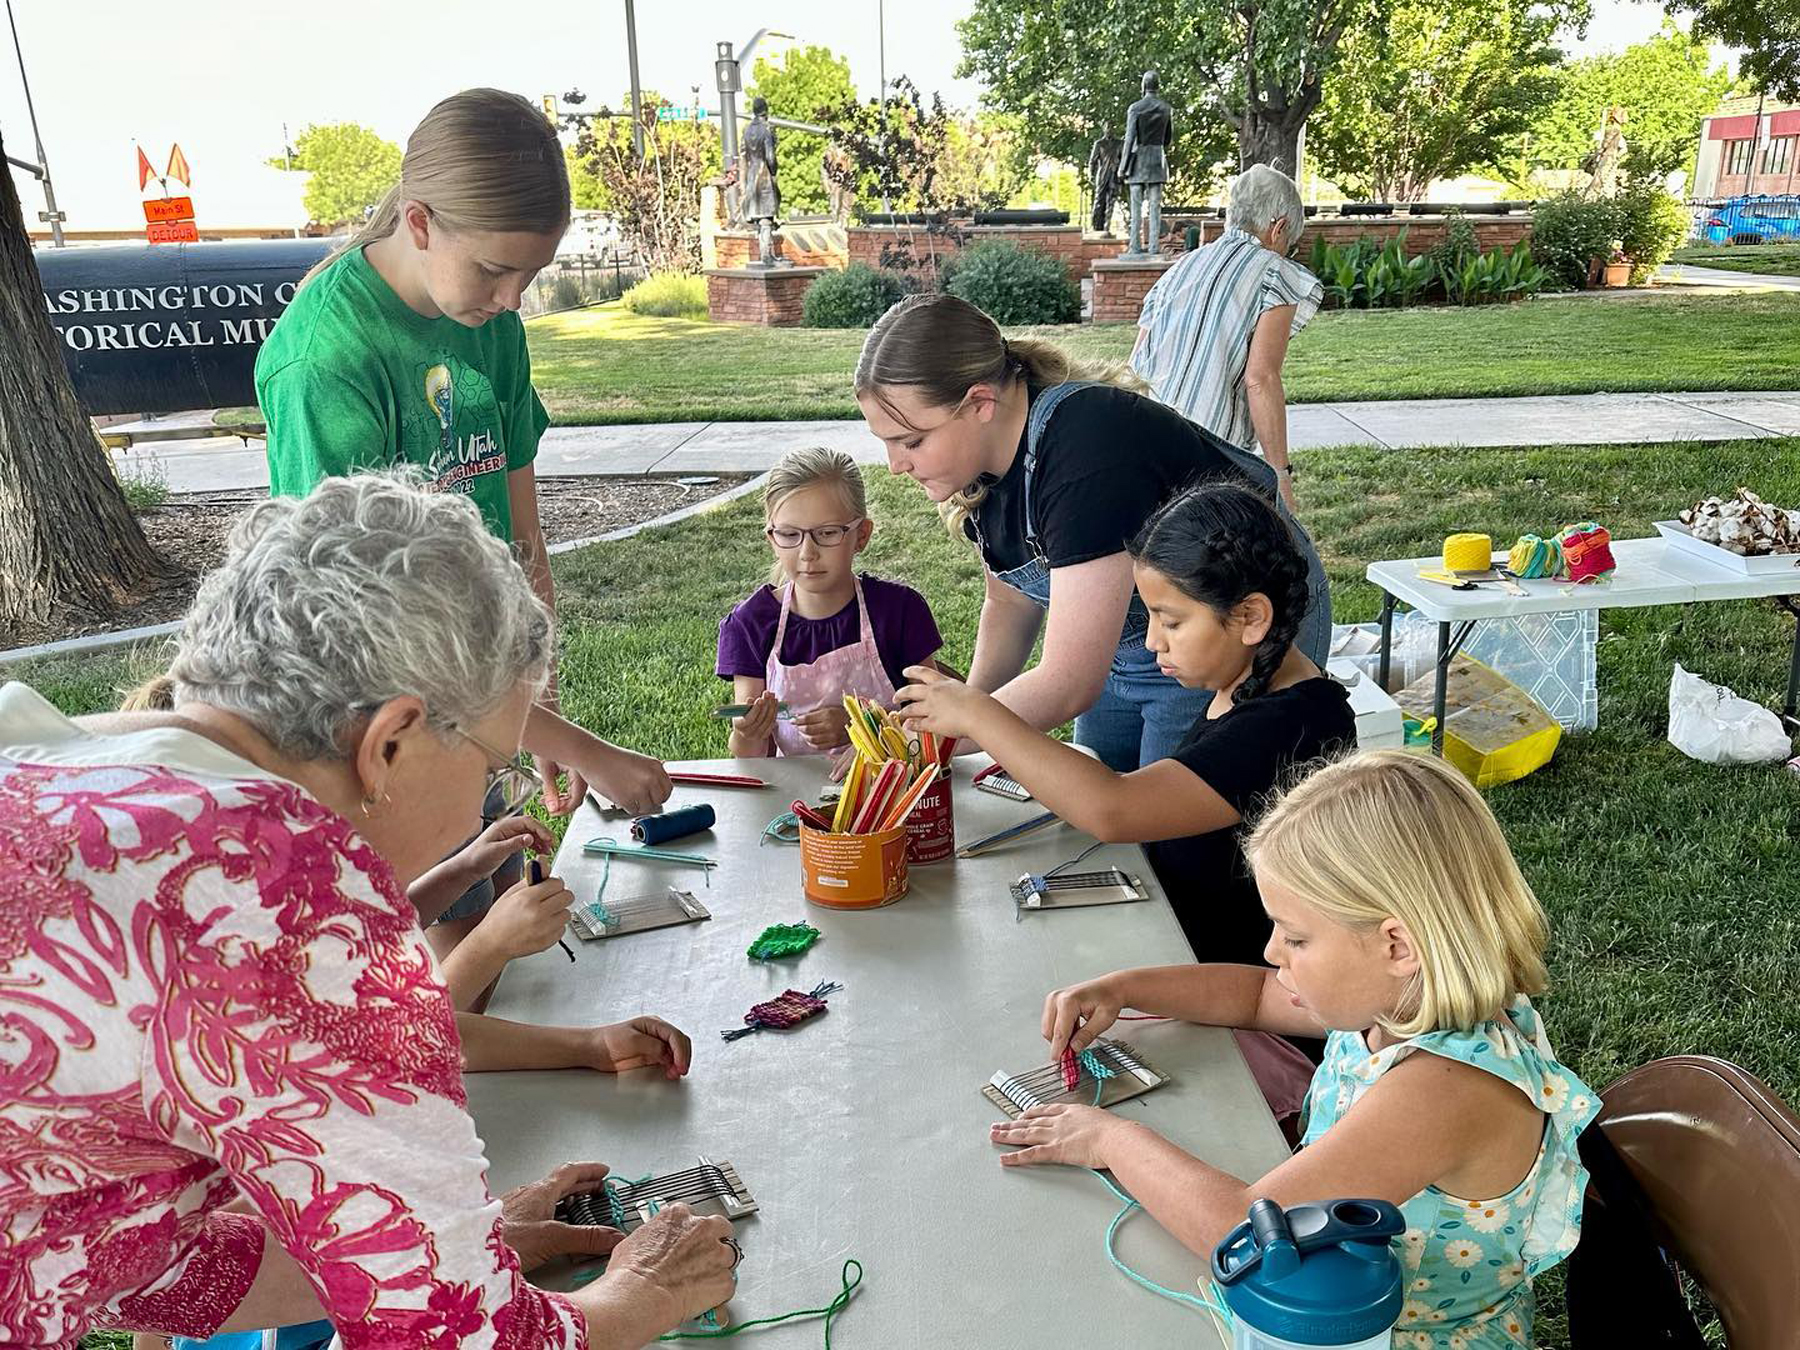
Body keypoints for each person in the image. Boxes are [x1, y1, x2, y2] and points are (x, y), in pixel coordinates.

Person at [0, 475, 733, 1348]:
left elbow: (141, 1258)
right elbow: (461, 1341)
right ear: (389, 744)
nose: (484, 801)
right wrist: (643, 1297)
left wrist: (437, 1246)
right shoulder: (269, 879)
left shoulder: (36, 741)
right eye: (494, 766)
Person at [993, 750, 1599, 1350]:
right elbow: (1256, 996)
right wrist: (1125, 989)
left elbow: (1246, 1232)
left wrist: (1110, 1139)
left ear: (1397, 945)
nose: (1274, 953)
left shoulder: (1447, 1088)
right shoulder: (1393, 1004)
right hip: (1330, 1307)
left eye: (1297, 936)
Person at [254, 87, 672, 954]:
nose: (515, 299)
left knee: (500, 940)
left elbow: (522, 538)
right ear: (417, 223)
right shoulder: (325, 361)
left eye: (532, 274)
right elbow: (363, 630)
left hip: (482, 697)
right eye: (493, 270)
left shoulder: (488, 323)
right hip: (383, 727)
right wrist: (580, 746)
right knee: (442, 979)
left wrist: (534, 688)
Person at [855, 292, 1330, 773]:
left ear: (980, 402)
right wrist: (962, 708)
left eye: (911, 441)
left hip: (1226, 636)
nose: (896, 466)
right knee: (1102, 791)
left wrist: (947, 734)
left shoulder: (1084, 452)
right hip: (1126, 645)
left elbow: (1068, 683)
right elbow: (1009, 603)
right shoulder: (982, 462)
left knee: (1172, 833)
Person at [895, 481, 1353, 965]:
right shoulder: (1245, 687)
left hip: (1238, 993)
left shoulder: (1293, 726)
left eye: (1171, 621)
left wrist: (977, 713)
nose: (1153, 641)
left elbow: (1114, 808)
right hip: (1178, 948)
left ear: (1252, 617)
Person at [718, 447, 943, 758]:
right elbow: (750, 756)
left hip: (890, 790)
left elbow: (933, 720)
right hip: (793, 799)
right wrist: (746, 730)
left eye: (826, 533)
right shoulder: (750, 624)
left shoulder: (899, 611)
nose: (807, 553)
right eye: (790, 534)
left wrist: (863, 725)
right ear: (772, 538)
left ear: (861, 535)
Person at [1130, 164, 1324, 512]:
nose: (1286, 252)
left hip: (1141, 439)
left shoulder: (1179, 269)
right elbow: (1261, 378)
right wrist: (1280, 477)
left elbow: (1137, 363)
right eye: (1289, 244)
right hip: (1206, 453)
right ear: (1278, 228)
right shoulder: (1275, 273)